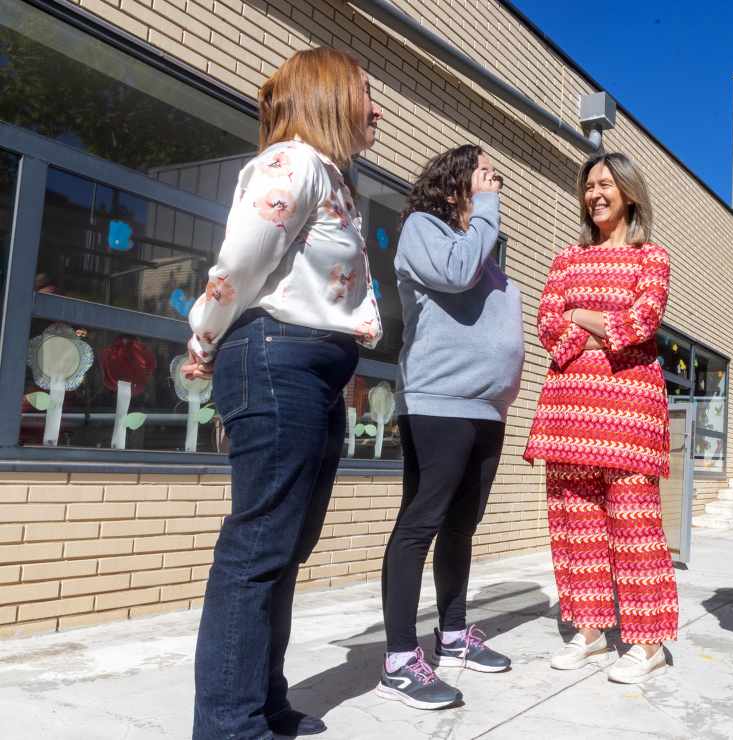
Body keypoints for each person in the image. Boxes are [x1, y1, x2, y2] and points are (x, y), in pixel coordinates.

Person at [185, 47, 383, 740]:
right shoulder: (291, 164)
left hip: (310, 368)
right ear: (330, 93)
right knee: (258, 549)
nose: (377, 108)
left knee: (285, 547)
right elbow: (238, 264)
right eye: (366, 91)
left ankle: (262, 703)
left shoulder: (330, 179)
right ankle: (228, 726)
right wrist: (203, 336)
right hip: (275, 361)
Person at [375, 144, 524, 709]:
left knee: (463, 524)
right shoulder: (421, 228)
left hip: (486, 409)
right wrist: (486, 206)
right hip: (438, 402)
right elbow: (456, 274)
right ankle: (397, 660)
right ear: (457, 181)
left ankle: (454, 636)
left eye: (495, 177)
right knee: (422, 521)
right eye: (486, 174)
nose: (494, 184)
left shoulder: (482, 245)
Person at [524, 151, 678, 685]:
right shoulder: (566, 258)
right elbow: (547, 322)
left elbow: (640, 322)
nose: (595, 194)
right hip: (569, 409)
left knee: (635, 526)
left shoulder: (650, 258)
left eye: (606, 184)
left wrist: (580, 316)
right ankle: (589, 632)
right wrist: (591, 326)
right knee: (574, 522)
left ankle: (647, 642)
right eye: (589, 186)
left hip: (628, 411)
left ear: (629, 192)